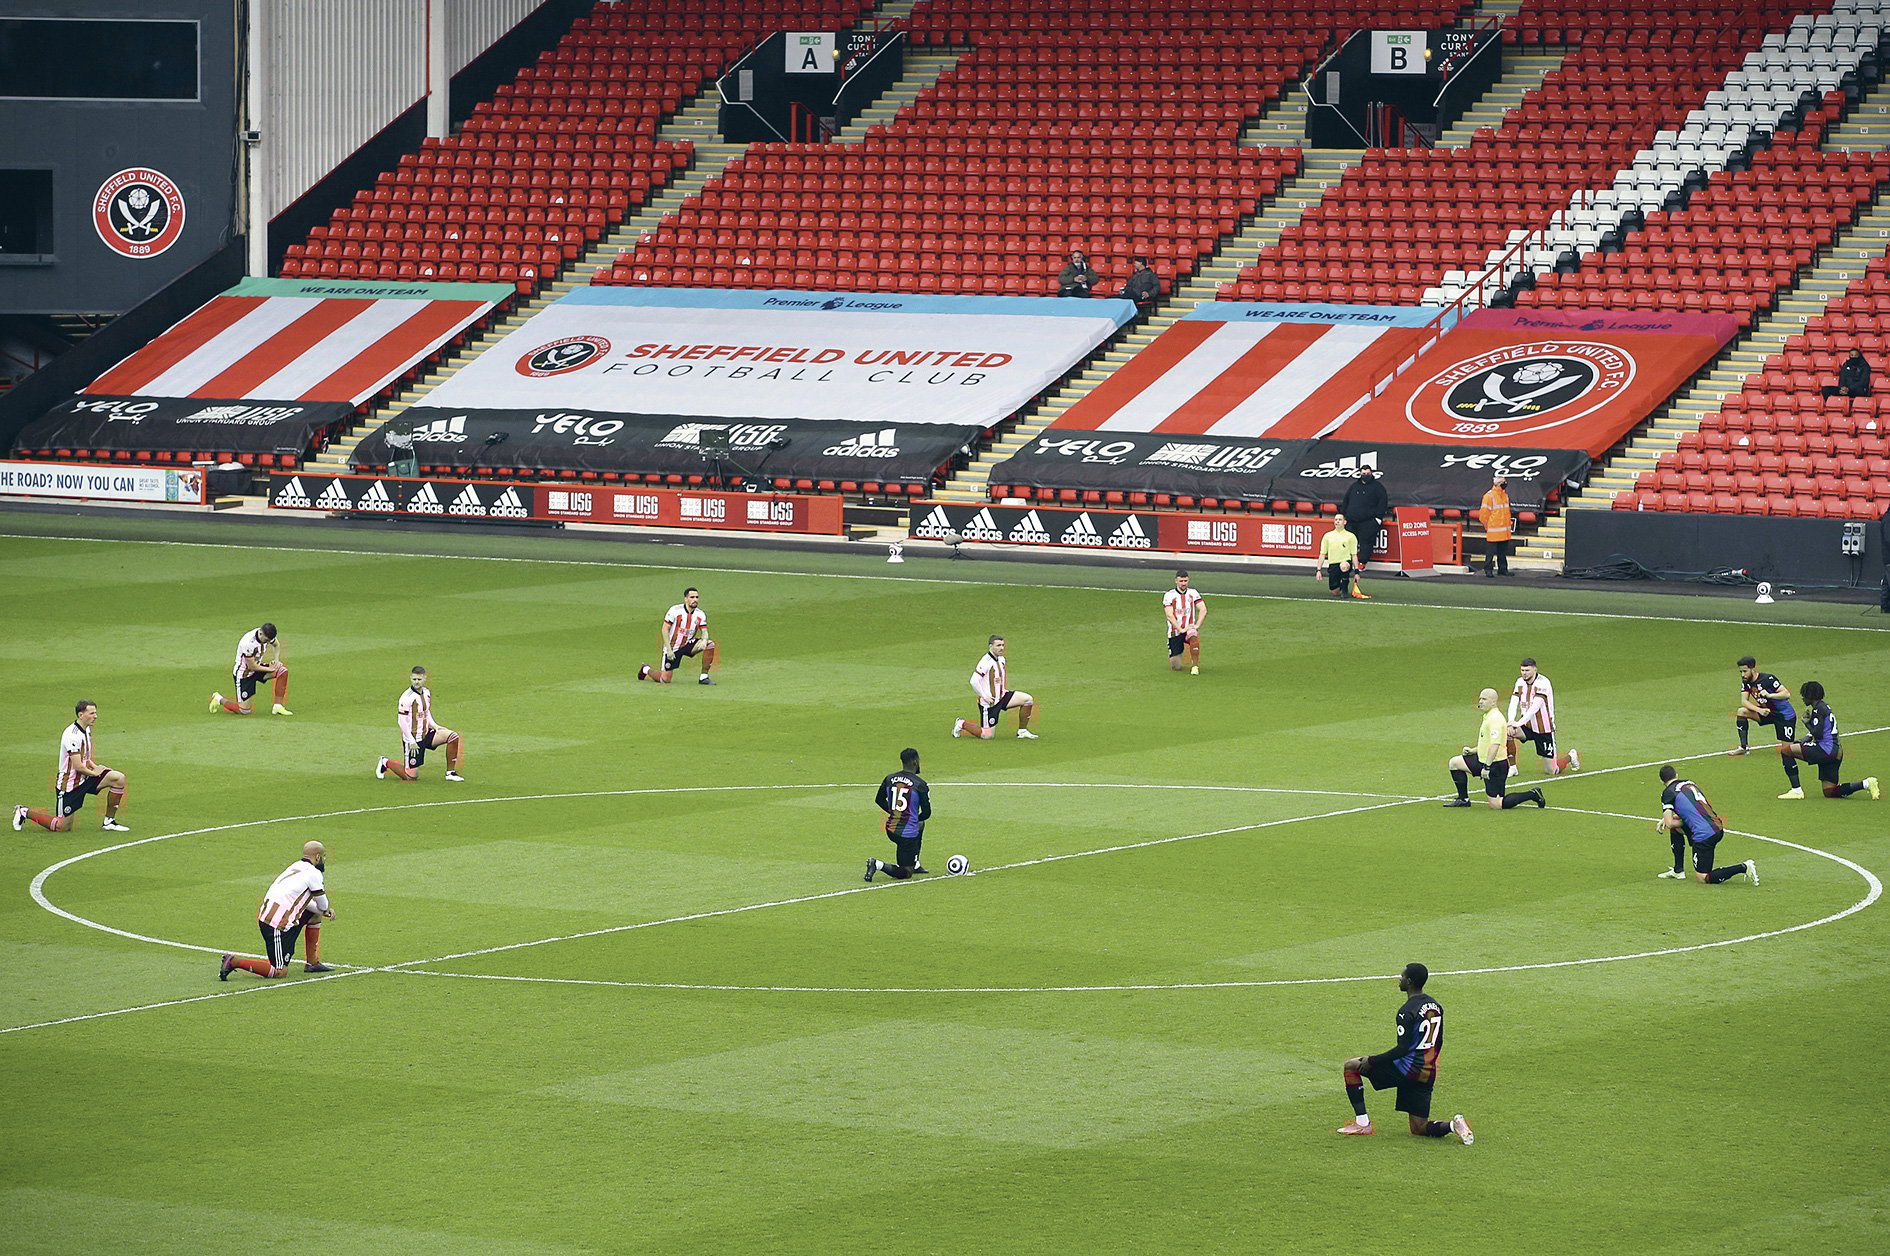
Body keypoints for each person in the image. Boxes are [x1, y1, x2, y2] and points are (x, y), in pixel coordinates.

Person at [1336, 962, 1474, 1144]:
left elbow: (1403, 1049)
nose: (1399, 979)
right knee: (1418, 1128)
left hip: (1406, 1069)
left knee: (1351, 1066)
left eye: (1402, 976)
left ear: (1409, 982)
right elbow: (1439, 1040)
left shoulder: (1406, 1012)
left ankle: (1363, 1124)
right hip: (1427, 1072)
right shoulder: (1436, 1006)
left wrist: (1373, 1060)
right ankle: (1453, 1125)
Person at [220, 840, 335, 979]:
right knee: (279, 972)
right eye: (323, 856)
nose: (324, 860)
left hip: (272, 916)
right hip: (276, 925)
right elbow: (323, 905)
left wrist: (323, 911)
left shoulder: (296, 866)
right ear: (317, 857)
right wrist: (326, 910)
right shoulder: (314, 874)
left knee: (314, 915)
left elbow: (299, 900)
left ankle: (312, 963)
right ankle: (234, 962)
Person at [15, 699, 130, 833]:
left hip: (85, 777)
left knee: (118, 778)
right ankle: (24, 811)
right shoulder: (72, 735)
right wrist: (95, 773)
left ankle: (109, 821)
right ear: (81, 715)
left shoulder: (86, 730)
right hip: (70, 784)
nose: (95, 716)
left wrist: (96, 766)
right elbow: (78, 766)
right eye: (91, 713)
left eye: (95, 713)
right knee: (63, 827)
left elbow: (85, 757)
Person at [1444, 688, 1545, 810]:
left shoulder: (1495, 719)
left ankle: (1533, 794)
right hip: (1483, 760)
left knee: (1496, 804)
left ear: (1493, 702)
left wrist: (1487, 767)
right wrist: (1472, 751)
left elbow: (1495, 745)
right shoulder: (1488, 716)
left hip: (1495, 765)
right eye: (1480, 698)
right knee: (1454, 763)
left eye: (1484, 699)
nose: (1480, 701)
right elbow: (1487, 743)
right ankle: (1463, 799)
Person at [1776, 680, 1878, 801]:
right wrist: (1802, 740)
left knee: (1786, 751)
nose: (1802, 698)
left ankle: (1796, 791)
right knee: (1830, 791)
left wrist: (1807, 723)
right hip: (1836, 751)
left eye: (1804, 695)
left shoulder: (1818, 710)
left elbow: (1818, 733)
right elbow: (1819, 731)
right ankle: (1866, 783)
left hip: (1825, 750)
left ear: (1810, 695)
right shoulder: (1824, 707)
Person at [1654, 766, 1756, 884]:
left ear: (1661, 781)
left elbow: (1670, 823)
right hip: (1716, 826)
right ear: (1676, 775)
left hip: (1704, 834)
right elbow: (1692, 808)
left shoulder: (1667, 793)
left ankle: (1743, 867)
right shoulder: (1689, 783)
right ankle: (1678, 871)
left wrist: (1672, 820)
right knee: (1677, 829)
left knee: (1703, 877)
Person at [377, 665, 465, 782]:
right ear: (410, 678)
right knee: (410, 777)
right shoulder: (406, 698)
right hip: (414, 738)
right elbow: (401, 721)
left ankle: (450, 773)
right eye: (414, 679)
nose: (416, 682)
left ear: (424, 678)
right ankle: (385, 762)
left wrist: (434, 725)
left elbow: (426, 712)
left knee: (453, 736)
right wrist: (411, 741)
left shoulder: (426, 692)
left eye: (419, 679)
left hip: (427, 733)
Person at [952, 635, 1038, 739]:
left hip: (1003, 696)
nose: (1001, 648)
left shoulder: (1001, 659)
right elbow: (973, 681)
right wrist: (984, 696)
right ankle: (961, 723)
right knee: (986, 736)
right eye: (998, 645)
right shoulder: (985, 662)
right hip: (990, 702)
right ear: (990, 646)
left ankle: (1022, 731)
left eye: (1002, 645)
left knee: (1028, 700)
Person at [865, 747, 931, 881]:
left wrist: (896, 813)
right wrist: (911, 818)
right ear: (915, 762)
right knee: (906, 872)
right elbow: (926, 813)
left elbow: (879, 799)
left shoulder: (890, 778)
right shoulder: (920, 784)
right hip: (907, 835)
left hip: (890, 829)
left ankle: (916, 862)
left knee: (920, 824)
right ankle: (877, 864)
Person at [1507, 657, 1578, 775]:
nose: (1524, 673)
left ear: (1535, 669)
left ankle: (1571, 756)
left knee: (1551, 770)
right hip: (1527, 726)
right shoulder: (1519, 682)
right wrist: (1510, 721)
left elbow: (1535, 708)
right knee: (1507, 732)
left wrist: (1518, 723)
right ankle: (1512, 767)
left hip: (1543, 729)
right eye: (1522, 670)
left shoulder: (1543, 683)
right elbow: (1513, 702)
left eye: (1527, 670)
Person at [639, 586, 717, 685]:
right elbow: (664, 629)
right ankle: (646, 669)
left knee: (710, 644)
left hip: (688, 644)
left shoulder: (700, 614)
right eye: (692, 597)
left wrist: (704, 640)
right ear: (686, 599)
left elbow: (704, 631)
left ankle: (704, 677)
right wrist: (669, 649)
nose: (695, 600)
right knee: (665, 680)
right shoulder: (675, 611)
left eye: (697, 597)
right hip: (673, 647)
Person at [211, 622, 291, 716]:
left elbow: (276, 645)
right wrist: (271, 669)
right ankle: (219, 698)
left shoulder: (267, 634)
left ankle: (278, 706)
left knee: (282, 671)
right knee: (244, 711)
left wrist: (276, 661)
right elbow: (252, 666)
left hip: (257, 668)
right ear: (261, 633)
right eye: (266, 640)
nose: (267, 642)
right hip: (244, 674)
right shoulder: (248, 643)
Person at [1730, 655, 1796, 757]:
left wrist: (1770, 695)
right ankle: (1744, 747)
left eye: (1745, 671)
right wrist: (1759, 710)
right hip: (1767, 712)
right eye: (1741, 672)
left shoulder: (1768, 679)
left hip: (1784, 715)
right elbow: (1744, 701)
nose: (1743, 675)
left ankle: (1805, 742)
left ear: (1752, 668)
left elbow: (1786, 694)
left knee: (1786, 752)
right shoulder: (1746, 682)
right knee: (1741, 711)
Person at [1339, 465, 1389, 583]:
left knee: (1366, 542)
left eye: (1367, 473)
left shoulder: (1378, 487)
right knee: (1348, 542)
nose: (1365, 475)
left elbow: (1383, 502)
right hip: (1351, 520)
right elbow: (1346, 500)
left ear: (1371, 473)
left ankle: (1362, 563)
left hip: (1368, 521)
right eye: (1363, 473)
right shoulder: (1354, 486)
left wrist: (1378, 518)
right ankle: (1347, 563)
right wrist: (1343, 515)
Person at [1163, 569, 1206, 673]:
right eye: (1181, 581)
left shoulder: (1193, 593)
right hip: (1175, 630)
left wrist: (1196, 625)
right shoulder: (1169, 595)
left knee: (1194, 639)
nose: (1183, 583)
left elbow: (1203, 609)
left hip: (1189, 628)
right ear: (1176, 581)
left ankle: (1195, 667)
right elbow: (1169, 615)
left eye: (1185, 581)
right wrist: (1180, 629)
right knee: (1176, 666)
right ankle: (1176, 655)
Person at [1477, 473, 1513, 577]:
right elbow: (1483, 515)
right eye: (1503, 482)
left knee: (1502, 552)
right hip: (1494, 529)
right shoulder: (1489, 496)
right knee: (1490, 553)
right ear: (1497, 483)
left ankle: (1503, 569)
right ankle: (1488, 569)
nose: (1505, 484)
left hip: (1504, 530)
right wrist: (1487, 526)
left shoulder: (1504, 495)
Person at [1316, 517, 1360, 598]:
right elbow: (1322, 554)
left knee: (1344, 566)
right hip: (1333, 565)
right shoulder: (1327, 536)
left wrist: (1357, 572)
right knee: (1334, 592)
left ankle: (1344, 590)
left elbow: (1354, 555)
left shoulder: (1350, 536)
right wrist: (1318, 570)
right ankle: (1342, 583)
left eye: (1340, 520)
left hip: (1345, 562)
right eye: (1336, 520)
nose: (1337, 521)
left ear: (1345, 522)